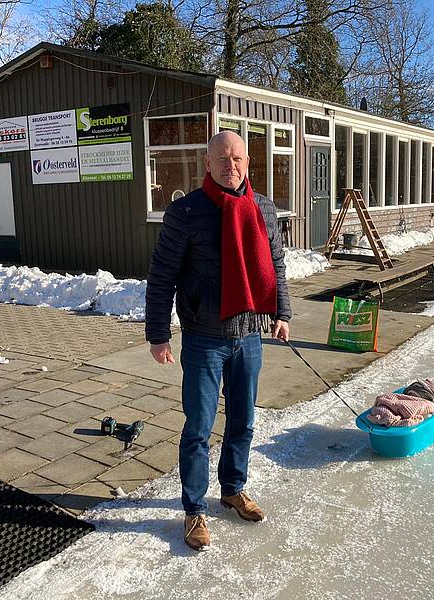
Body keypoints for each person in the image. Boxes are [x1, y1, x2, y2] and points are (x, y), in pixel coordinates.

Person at [145, 130, 292, 552]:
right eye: (223, 159)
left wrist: (282, 313)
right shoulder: (186, 212)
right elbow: (162, 276)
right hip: (204, 338)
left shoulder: (263, 208)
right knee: (198, 427)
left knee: (243, 420)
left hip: (249, 335)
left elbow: (276, 265)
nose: (232, 166)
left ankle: (233, 489)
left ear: (247, 162)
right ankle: (194, 509)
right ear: (207, 164)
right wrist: (158, 334)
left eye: (238, 158)